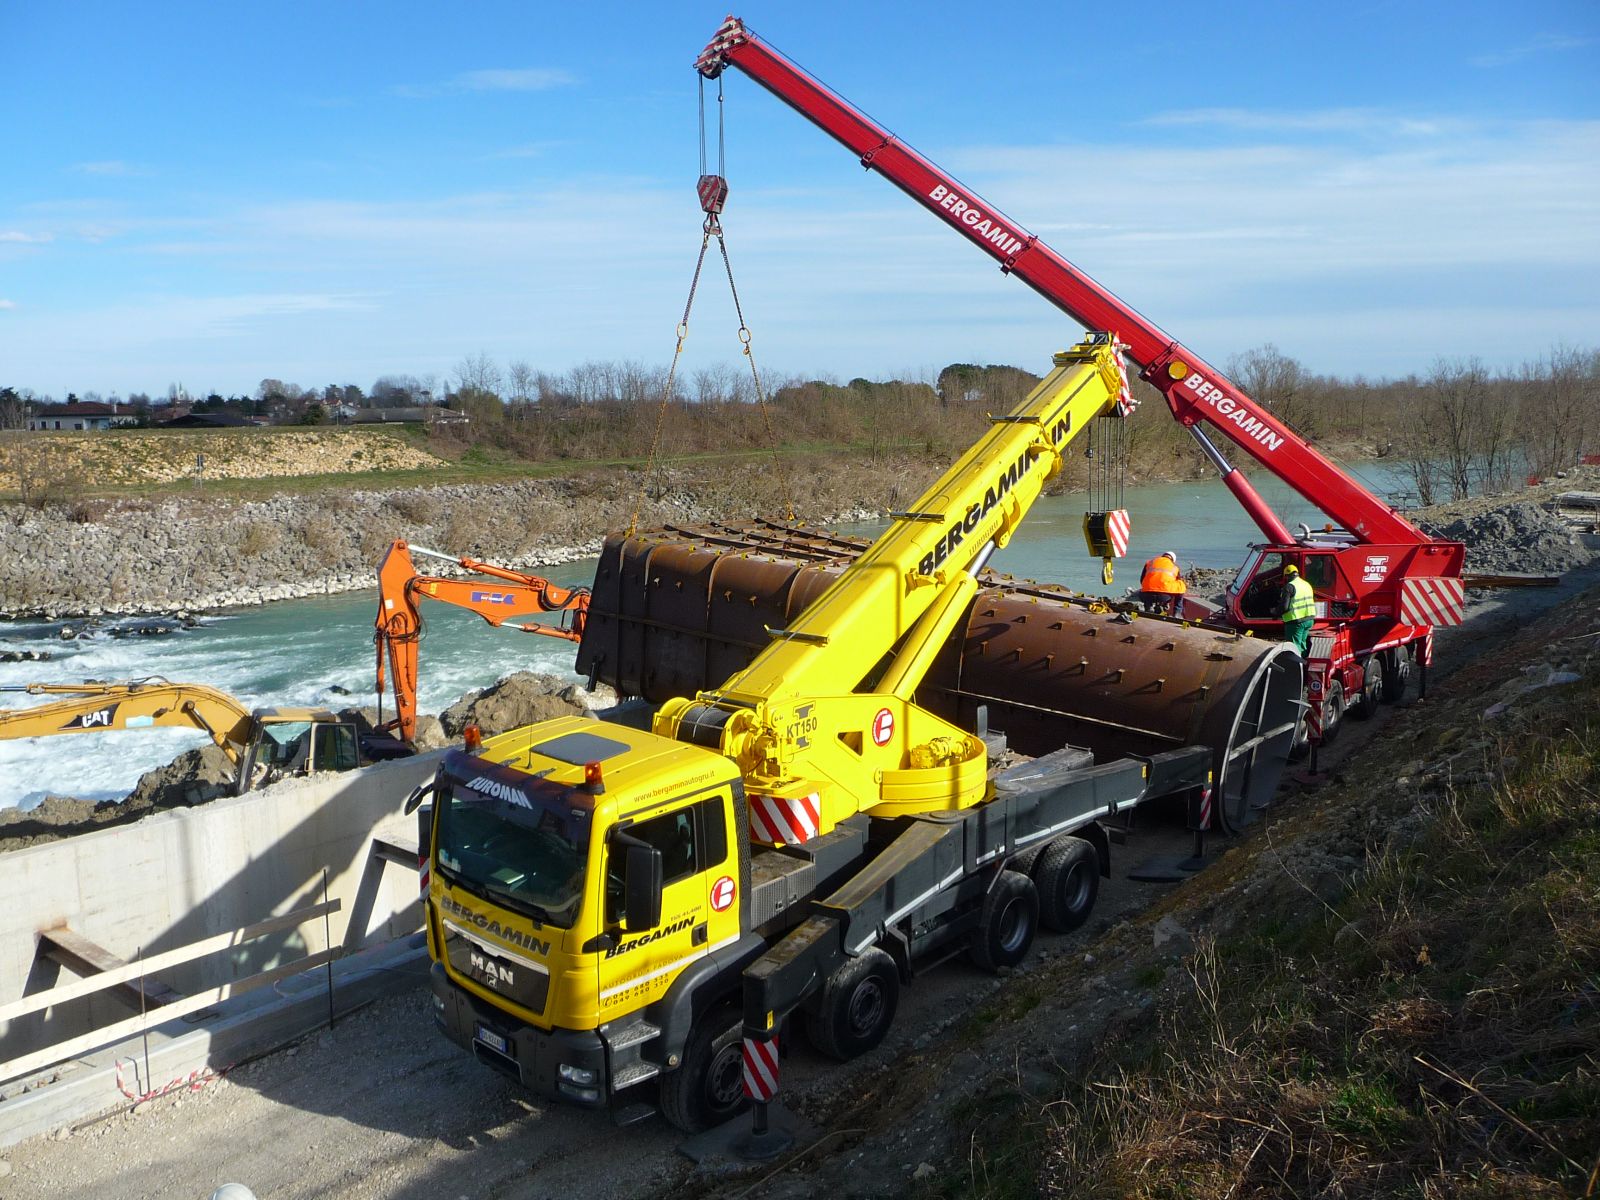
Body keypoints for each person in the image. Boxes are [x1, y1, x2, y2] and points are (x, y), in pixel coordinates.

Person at [1279, 562, 1316, 654]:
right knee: (1302, 644)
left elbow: (1284, 607)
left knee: (1294, 647)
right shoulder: (1306, 584)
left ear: (1287, 576)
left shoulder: (1289, 586)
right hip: (1309, 620)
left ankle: (1296, 667)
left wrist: (1274, 612)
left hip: (1296, 621)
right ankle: (1303, 664)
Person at [1138, 550, 1186, 615]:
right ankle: (1177, 612)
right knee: (1181, 586)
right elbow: (1177, 580)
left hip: (1146, 596)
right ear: (1173, 559)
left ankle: (1148, 607)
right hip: (1165, 597)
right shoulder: (1174, 566)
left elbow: (1142, 580)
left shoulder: (1150, 562)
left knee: (1148, 585)